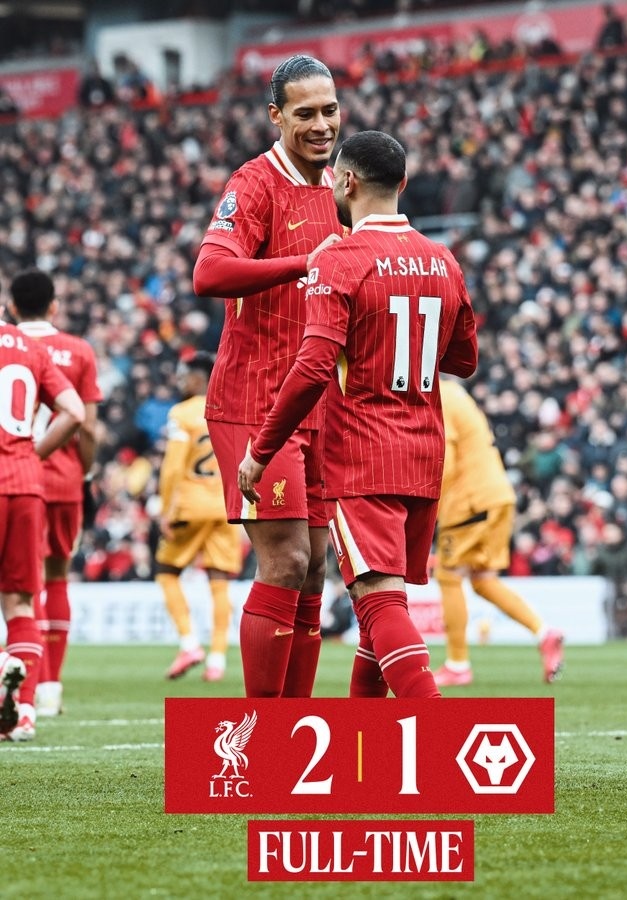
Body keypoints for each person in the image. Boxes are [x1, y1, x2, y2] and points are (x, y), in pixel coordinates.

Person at [238, 130, 478, 699]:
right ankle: (365, 743)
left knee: (379, 603)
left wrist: (261, 450)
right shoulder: (443, 260)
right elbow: (464, 360)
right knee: (377, 615)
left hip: (365, 454)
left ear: (345, 182)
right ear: (403, 183)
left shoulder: (340, 260)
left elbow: (313, 367)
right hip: (424, 454)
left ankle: (438, 734)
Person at [193, 55, 344, 698]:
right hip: (255, 402)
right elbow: (209, 273)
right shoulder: (254, 183)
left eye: (329, 110)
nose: (321, 124)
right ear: (276, 116)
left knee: (313, 572)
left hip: (318, 404)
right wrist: (303, 262)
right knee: (285, 560)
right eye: (305, 113)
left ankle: (297, 725)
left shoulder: (339, 186)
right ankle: (262, 733)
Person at [10, 269, 103, 718]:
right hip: (63, 480)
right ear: (54, 306)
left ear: (12, 307)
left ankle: (24, 681)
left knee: (19, 588)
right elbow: (88, 427)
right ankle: (49, 689)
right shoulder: (79, 350)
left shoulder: (10, 347)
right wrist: (84, 473)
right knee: (56, 577)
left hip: (12, 475)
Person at [432, 377, 565, 687]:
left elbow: (445, 462)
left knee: (448, 575)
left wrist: (429, 507)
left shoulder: (439, 396)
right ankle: (544, 632)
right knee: (482, 580)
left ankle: (457, 664)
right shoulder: (457, 394)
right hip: (496, 494)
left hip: (469, 500)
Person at [0, 315, 85, 741]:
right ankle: (25, 714)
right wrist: (32, 457)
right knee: (20, 604)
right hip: (26, 485)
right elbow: (75, 412)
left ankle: (4, 665)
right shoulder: (30, 348)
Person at [155, 352, 242, 682]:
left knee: (166, 572)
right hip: (225, 506)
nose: (181, 381)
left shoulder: (182, 413)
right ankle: (217, 659)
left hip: (190, 507)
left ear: (199, 377)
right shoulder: (231, 408)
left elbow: (173, 467)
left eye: (185, 376)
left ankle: (190, 644)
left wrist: (166, 509)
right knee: (219, 582)